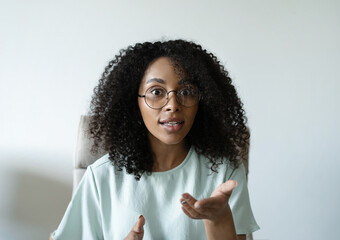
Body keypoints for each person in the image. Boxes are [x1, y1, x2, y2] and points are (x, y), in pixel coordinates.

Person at [52, 39, 259, 240]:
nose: (172, 105)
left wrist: (219, 219)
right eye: (157, 92)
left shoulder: (226, 172)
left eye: (186, 91)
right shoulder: (101, 177)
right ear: (135, 102)